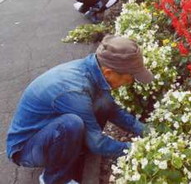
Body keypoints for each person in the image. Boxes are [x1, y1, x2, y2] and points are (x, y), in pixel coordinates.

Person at [6, 35, 154, 184]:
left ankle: (76, 149)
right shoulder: (75, 90)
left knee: (105, 102)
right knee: (71, 124)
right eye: (128, 80)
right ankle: (55, 179)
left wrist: (147, 131)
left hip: (47, 131)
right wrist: (137, 149)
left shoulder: (92, 70)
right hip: (25, 149)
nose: (127, 84)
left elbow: (113, 111)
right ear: (109, 72)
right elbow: (97, 143)